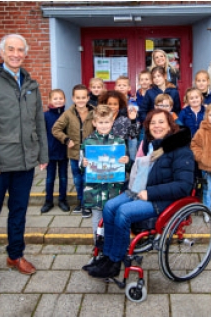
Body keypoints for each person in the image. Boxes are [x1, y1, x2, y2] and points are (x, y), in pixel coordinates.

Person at [0, 34, 48, 288]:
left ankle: (15, 255)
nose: (16, 54)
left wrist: (42, 155)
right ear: (2, 52)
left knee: (19, 213)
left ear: (25, 53)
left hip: (25, 163)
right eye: (11, 49)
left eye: (20, 50)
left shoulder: (31, 84)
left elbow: (39, 122)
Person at [82, 109, 194, 279]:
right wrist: (126, 163)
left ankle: (115, 261)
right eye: (152, 123)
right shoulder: (155, 147)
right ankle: (108, 255)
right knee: (110, 206)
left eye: (161, 122)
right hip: (141, 190)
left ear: (170, 126)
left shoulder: (181, 150)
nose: (156, 126)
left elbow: (183, 186)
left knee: (123, 213)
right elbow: (147, 171)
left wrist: (150, 193)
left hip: (163, 199)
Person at [80, 105, 130, 239]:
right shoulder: (88, 142)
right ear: (94, 123)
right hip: (95, 188)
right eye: (100, 123)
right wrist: (83, 164)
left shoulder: (119, 141)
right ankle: (97, 246)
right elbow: (80, 165)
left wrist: (126, 161)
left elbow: (129, 165)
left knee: (113, 217)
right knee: (97, 218)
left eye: (106, 122)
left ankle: (111, 244)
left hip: (114, 188)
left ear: (112, 122)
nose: (103, 125)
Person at [52, 84, 94, 218]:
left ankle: (87, 204)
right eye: (78, 97)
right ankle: (81, 202)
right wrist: (66, 139)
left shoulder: (94, 112)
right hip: (75, 153)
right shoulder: (68, 114)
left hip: (90, 153)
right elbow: (56, 129)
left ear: (88, 98)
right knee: (77, 179)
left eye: (83, 97)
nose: (81, 100)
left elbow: (103, 125)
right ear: (73, 98)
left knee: (88, 179)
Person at [41, 89, 70, 214]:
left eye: (61, 98)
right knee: (49, 178)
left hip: (64, 152)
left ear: (65, 100)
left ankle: (62, 200)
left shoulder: (68, 115)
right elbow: (41, 135)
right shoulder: (45, 116)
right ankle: (48, 201)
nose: (58, 101)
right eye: (55, 98)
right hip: (50, 152)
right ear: (49, 101)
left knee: (63, 178)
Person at [114, 76, 139, 162]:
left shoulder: (132, 100)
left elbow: (135, 116)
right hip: (117, 133)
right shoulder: (113, 101)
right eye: (119, 85)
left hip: (130, 132)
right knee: (120, 155)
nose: (121, 87)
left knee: (132, 155)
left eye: (124, 85)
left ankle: (132, 172)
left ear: (129, 88)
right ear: (115, 87)